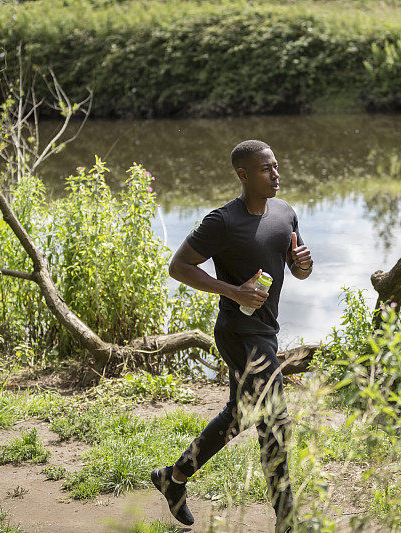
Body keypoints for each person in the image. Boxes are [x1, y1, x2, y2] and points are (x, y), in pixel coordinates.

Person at [151, 140, 313, 531]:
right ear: (243, 175)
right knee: (274, 419)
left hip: (266, 331)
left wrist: (303, 265)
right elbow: (178, 266)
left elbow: (298, 268)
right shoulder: (222, 222)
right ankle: (287, 520)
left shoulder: (285, 212)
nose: (276, 175)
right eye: (265, 170)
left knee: (241, 414)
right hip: (238, 331)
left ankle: (174, 478)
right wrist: (233, 290)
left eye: (276, 167)